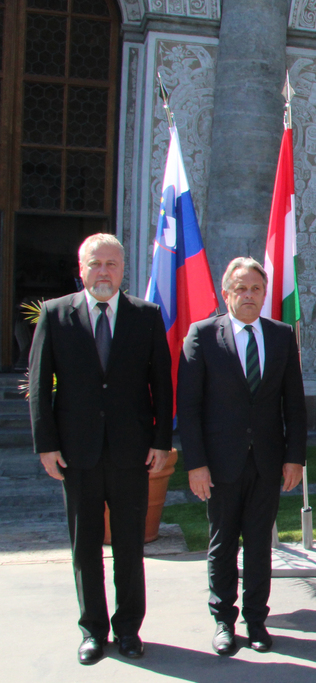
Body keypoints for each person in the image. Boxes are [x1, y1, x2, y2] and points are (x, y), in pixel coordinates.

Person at [28, 233, 173, 665]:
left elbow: (162, 385)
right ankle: (93, 629)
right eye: (96, 264)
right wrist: (46, 445)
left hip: (132, 452)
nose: (104, 271)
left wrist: (161, 441)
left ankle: (128, 629)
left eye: (111, 264)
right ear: (81, 268)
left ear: (123, 269)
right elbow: (38, 387)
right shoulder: (55, 315)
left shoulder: (145, 316)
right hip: (77, 452)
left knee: (130, 545)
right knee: (85, 545)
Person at [177, 257, 307, 656]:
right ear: (225, 292)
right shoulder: (201, 335)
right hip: (219, 464)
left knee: (259, 544)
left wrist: (295, 458)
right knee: (222, 543)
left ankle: (256, 621)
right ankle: (223, 621)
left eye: (255, 289)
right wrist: (195, 464)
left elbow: (294, 404)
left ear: (264, 294)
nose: (248, 296)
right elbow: (189, 407)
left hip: (268, 462)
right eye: (240, 289)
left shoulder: (282, 336)